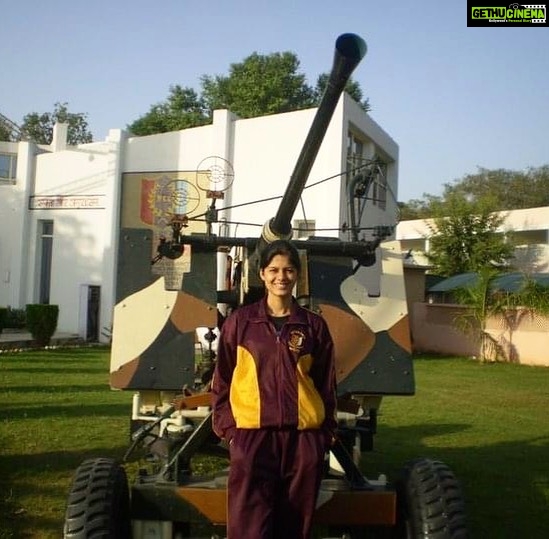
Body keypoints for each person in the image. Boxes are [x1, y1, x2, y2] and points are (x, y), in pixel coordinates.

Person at [212, 239, 337, 539]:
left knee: (294, 526)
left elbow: (326, 383)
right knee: (249, 528)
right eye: (274, 270)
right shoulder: (240, 323)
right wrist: (230, 432)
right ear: (263, 275)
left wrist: (325, 434)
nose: (281, 277)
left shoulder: (313, 326)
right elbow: (223, 379)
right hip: (253, 438)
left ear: (297, 275)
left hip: (302, 441)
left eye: (289, 270)